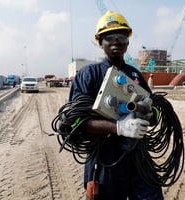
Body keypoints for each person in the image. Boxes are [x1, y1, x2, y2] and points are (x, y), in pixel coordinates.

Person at [68, 10, 163, 200]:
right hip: (105, 162)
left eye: (120, 36)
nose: (115, 42)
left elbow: (156, 112)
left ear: (128, 41)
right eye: (108, 37)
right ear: (100, 43)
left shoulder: (135, 76)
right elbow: (74, 121)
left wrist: (149, 113)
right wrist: (118, 127)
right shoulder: (89, 75)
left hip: (137, 158)